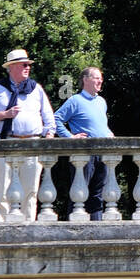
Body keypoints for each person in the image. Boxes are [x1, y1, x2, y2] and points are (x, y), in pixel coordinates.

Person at [0, 48, 56, 220]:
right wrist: (4, 114)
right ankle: (5, 227)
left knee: (31, 190)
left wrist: (48, 137)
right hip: (6, 143)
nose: (28, 68)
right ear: (12, 67)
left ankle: (29, 225)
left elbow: (49, 118)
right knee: (5, 190)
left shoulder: (36, 89)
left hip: (32, 145)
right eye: (24, 65)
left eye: (28, 65)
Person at [53, 66, 111, 220]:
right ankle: (75, 230)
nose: (100, 81)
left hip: (103, 152)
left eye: (101, 78)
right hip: (84, 153)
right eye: (96, 78)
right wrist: (69, 137)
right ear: (86, 80)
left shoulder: (101, 101)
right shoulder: (75, 100)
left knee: (98, 193)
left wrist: (108, 132)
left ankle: (97, 230)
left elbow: (98, 124)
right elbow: (56, 119)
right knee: (80, 192)